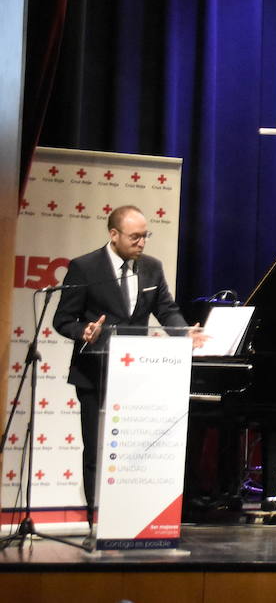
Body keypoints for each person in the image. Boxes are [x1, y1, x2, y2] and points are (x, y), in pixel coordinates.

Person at [52, 205, 204, 522]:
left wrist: (184, 333)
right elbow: (63, 319)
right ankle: (97, 517)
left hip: (137, 374)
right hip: (94, 372)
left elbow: (166, 310)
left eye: (145, 236)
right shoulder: (84, 267)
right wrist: (84, 331)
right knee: (96, 449)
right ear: (114, 235)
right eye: (135, 237)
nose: (141, 243)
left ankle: (129, 516)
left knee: (132, 450)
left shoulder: (151, 267)